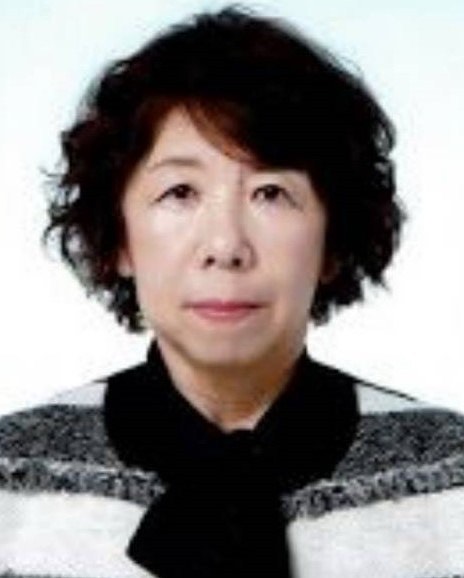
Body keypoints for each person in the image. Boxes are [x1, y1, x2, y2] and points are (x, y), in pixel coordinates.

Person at [1, 6, 464, 578]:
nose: (226, 245)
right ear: (119, 238)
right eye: (180, 192)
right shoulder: (11, 477)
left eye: (270, 193)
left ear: (333, 240)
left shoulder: (452, 477)